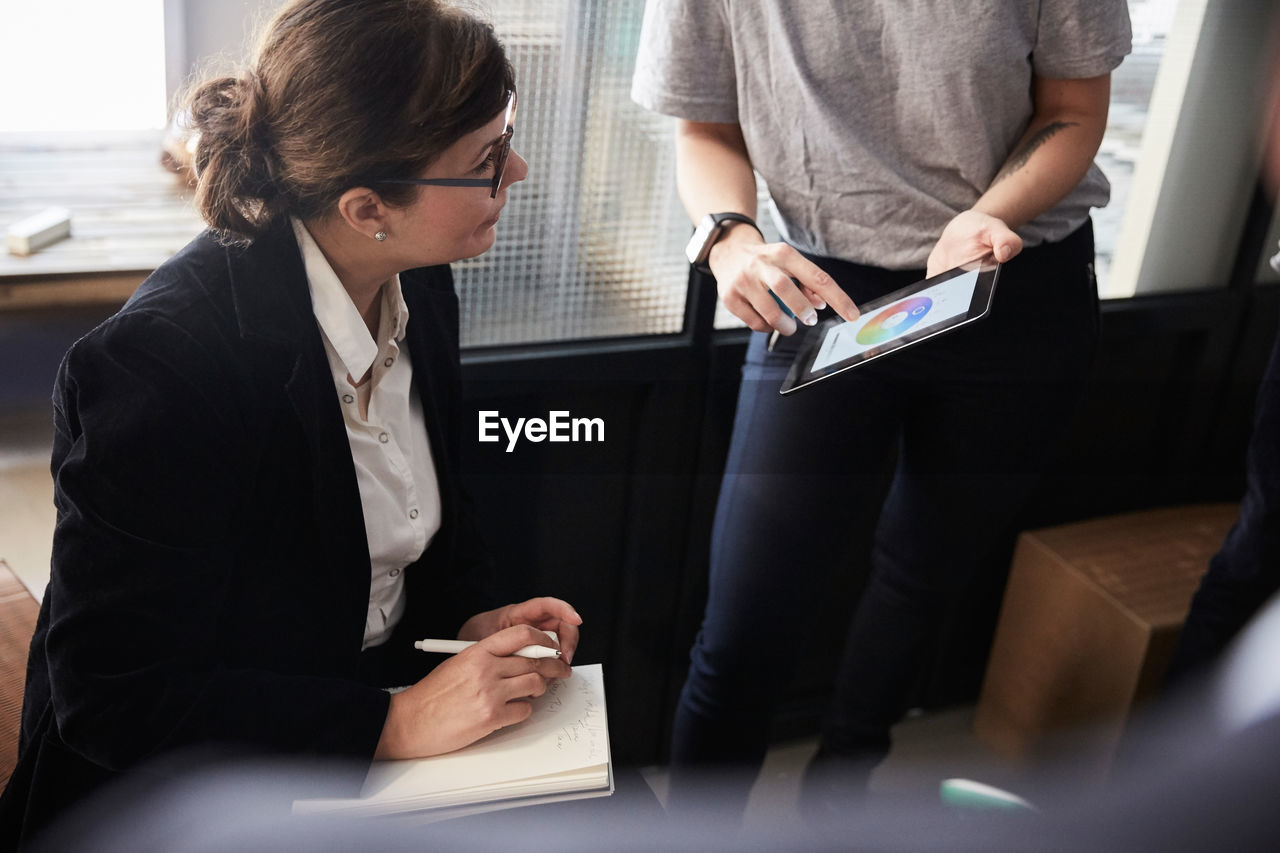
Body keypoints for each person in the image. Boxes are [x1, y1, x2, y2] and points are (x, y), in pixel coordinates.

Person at [0, 0, 584, 846]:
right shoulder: (159, 370)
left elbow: (427, 527)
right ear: (364, 207)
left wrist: (468, 621)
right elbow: (118, 701)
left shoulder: (416, 278)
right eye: (488, 159)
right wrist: (392, 724)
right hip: (182, 794)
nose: (519, 171)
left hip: (352, 718)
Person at [631, 0, 1131, 814]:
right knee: (744, 624)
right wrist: (729, 238)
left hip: (1008, 273)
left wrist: (989, 213)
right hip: (829, 290)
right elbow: (706, 128)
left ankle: (842, 794)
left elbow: (1074, 110)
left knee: (922, 575)